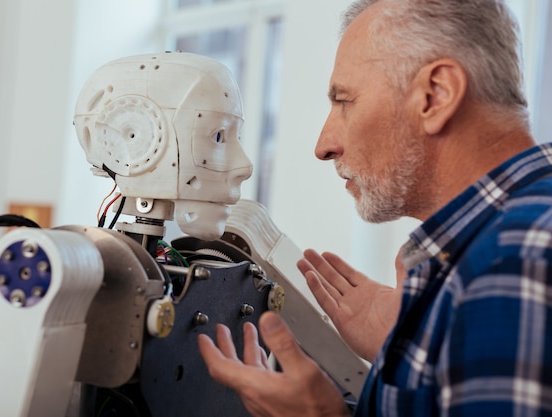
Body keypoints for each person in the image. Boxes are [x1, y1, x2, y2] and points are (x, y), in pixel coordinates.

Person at [197, 0, 552, 416]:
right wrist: (415, 358)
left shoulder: (515, 261)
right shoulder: (501, 248)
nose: (323, 146)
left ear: (435, 95)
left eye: (344, 101)